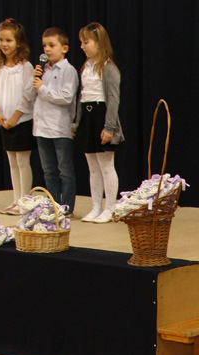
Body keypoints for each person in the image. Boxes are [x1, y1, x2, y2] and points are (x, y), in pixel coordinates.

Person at [26, 28, 78, 215]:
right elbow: (29, 96)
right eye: (44, 46)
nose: (47, 49)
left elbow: (66, 97)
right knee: (48, 171)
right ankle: (53, 206)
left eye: (51, 45)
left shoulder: (68, 70)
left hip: (59, 127)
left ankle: (67, 207)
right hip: (41, 127)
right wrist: (34, 79)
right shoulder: (42, 70)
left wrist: (42, 89)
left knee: (65, 171)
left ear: (64, 48)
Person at [75, 22, 123, 223]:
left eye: (86, 42)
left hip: (101, 116)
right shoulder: (86, 67)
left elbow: (113, 100)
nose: (82, 47)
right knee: (92, 167)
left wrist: (109, 127)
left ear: (99, 43)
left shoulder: (108, 68)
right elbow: (82, 96)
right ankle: (96, 206)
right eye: (81, 43)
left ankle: (110, 208)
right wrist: (77, 122)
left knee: (106, 165)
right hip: (87, 117)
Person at [0, 19, 35, 215]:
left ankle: (25, 201)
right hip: (4, 121)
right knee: (12, 162)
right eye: (1, 40)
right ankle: (16, 200)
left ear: (19, 42)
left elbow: (28, 95)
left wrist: (15, 116)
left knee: (22, 162)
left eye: (9, 40)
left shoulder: (25, 67)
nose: (4, 44)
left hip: (21, 121)